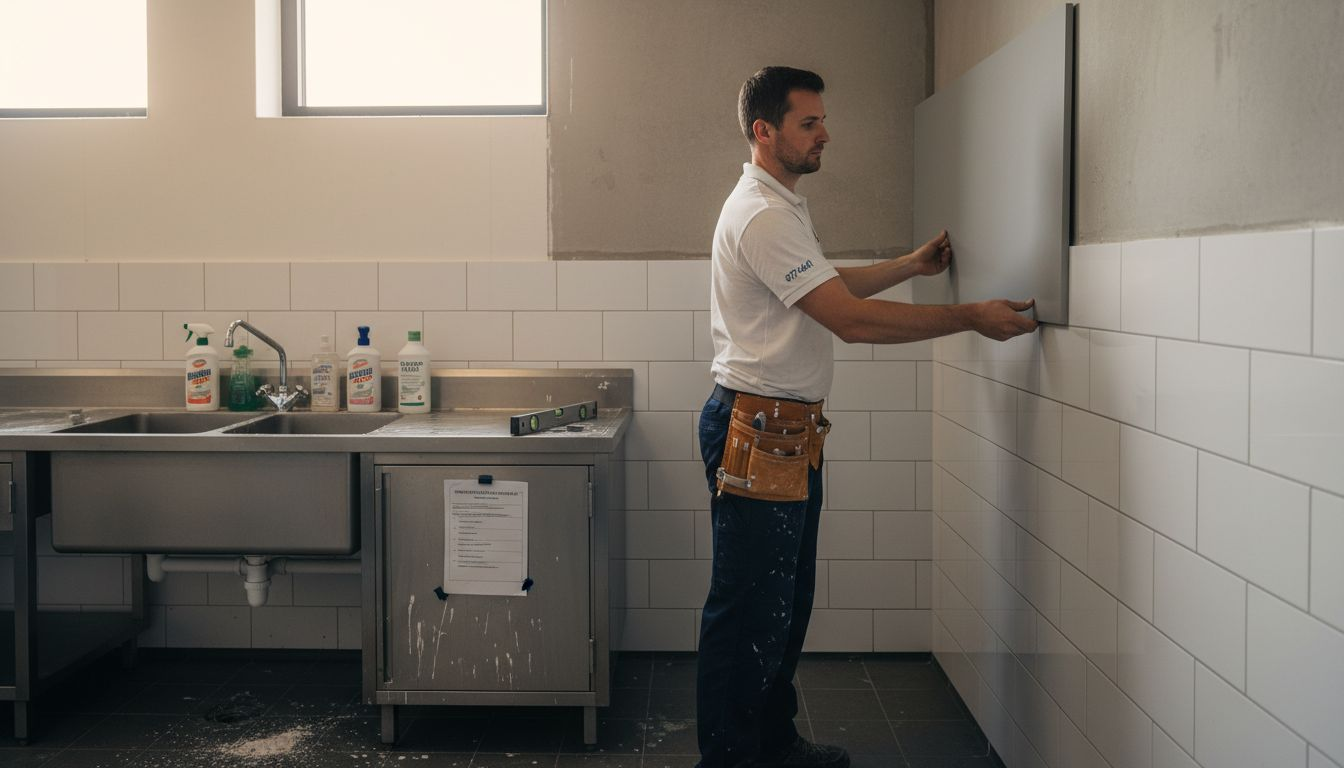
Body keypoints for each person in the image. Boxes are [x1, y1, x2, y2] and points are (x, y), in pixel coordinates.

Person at [696, 66, 1038, 768]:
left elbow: (825, 282)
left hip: (781, 434)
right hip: (758, 432)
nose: (826, 133)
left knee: (783, 607)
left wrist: (908, 266)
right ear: (764, 132)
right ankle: (730, 760)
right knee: (748, 615)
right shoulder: (761, 214)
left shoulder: (781, 205)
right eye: (808, 123)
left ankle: (772, 744)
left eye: (823, 119)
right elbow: (847, 320)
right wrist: (969, 316)